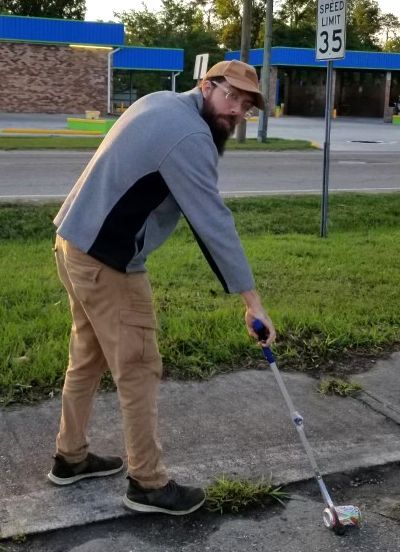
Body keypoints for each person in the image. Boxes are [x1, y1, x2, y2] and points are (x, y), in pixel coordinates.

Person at [48, 59, 276, 516]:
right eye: (231, 96)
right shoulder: (190, 135)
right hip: (109, 263)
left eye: (246, 106)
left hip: (72, 242)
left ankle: (70, 458)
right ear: (206, 85)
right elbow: (212, 222)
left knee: (87, 357)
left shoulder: (160, 102)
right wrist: (253, 302)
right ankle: (148, 484)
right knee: (139, 368)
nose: (236, 111)